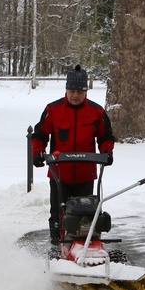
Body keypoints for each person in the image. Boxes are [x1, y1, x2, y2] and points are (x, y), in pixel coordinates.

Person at [31, 65, 115, 244]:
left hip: (86, 174)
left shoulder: (96, 112)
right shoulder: (53, 110)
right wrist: (38, 153)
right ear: (66, 90)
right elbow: (39, 135)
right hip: (60, 174)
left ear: (86, 91)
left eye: (79, 91)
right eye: (72, 90)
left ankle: (87, 246)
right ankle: (57, 246)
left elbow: (106, 136)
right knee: (59, 214)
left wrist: (107, 152)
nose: (75, 95)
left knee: (86, 213)